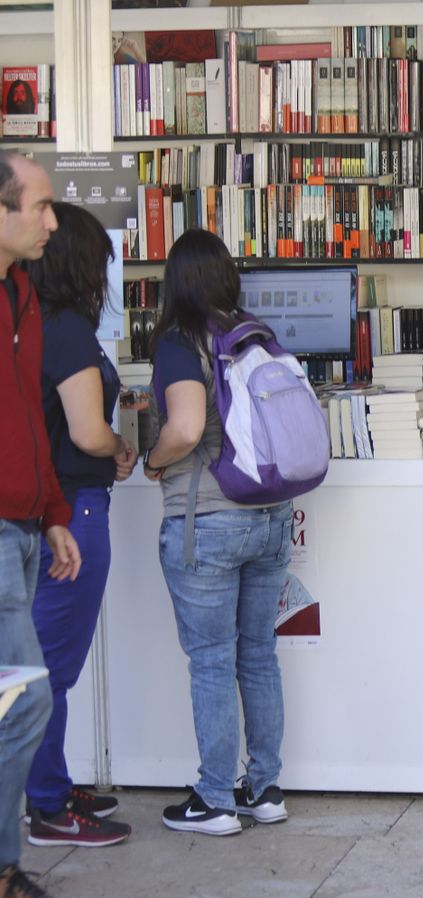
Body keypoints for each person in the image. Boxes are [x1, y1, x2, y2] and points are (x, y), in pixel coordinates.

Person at [144, 228, 294, 837]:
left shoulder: (181, 343)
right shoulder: (255, 333)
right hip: (271, 514)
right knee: (258, 654)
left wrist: (154, 463)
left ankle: (215, 799)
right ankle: (264, 789)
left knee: (211, 660)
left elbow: (184, 428)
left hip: (207, 519)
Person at [23, 202, 136, 847]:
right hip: (75, 509)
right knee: (53, 668)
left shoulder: (39, 321)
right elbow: (88, 430)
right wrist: (119, 447)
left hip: (55, 503)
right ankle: (47, 805)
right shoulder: (66, 328)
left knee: (45, 660)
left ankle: (52, 784)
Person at [0, 149, 81, 898]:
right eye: (39, 205)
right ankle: (3, 874)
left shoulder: (22, 293)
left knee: (17, 703)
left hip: (25, 529)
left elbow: (27, 415)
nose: (52, 221)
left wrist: (53, 510)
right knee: (24, 704)